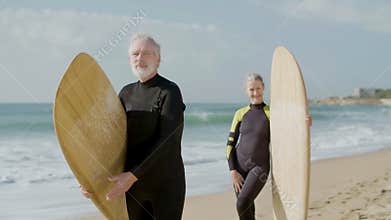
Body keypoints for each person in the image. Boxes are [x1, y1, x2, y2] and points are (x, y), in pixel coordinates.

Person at [80, 33, 186, 220]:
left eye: (146, 53)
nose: (140, 58)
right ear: (129, 59)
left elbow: (167, 142)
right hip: (133, 187)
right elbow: (112, 142)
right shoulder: (125, 93)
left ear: (158, 59)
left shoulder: (170, 91)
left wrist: (132, 175)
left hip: (165, 185)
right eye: (135, 54)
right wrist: (93, 178)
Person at [226, 73, 311, 220]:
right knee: (248, 208)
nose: (255, 93)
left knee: (242, 203)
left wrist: (303, 122)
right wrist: (233, 170)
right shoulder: (240, 113)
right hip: (239, 168)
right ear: (247, 91)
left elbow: (288, 129)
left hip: (259, 167)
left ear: (263, 88)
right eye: (252, 89)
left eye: (258, 88)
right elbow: (230, 145)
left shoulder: (271, 113)